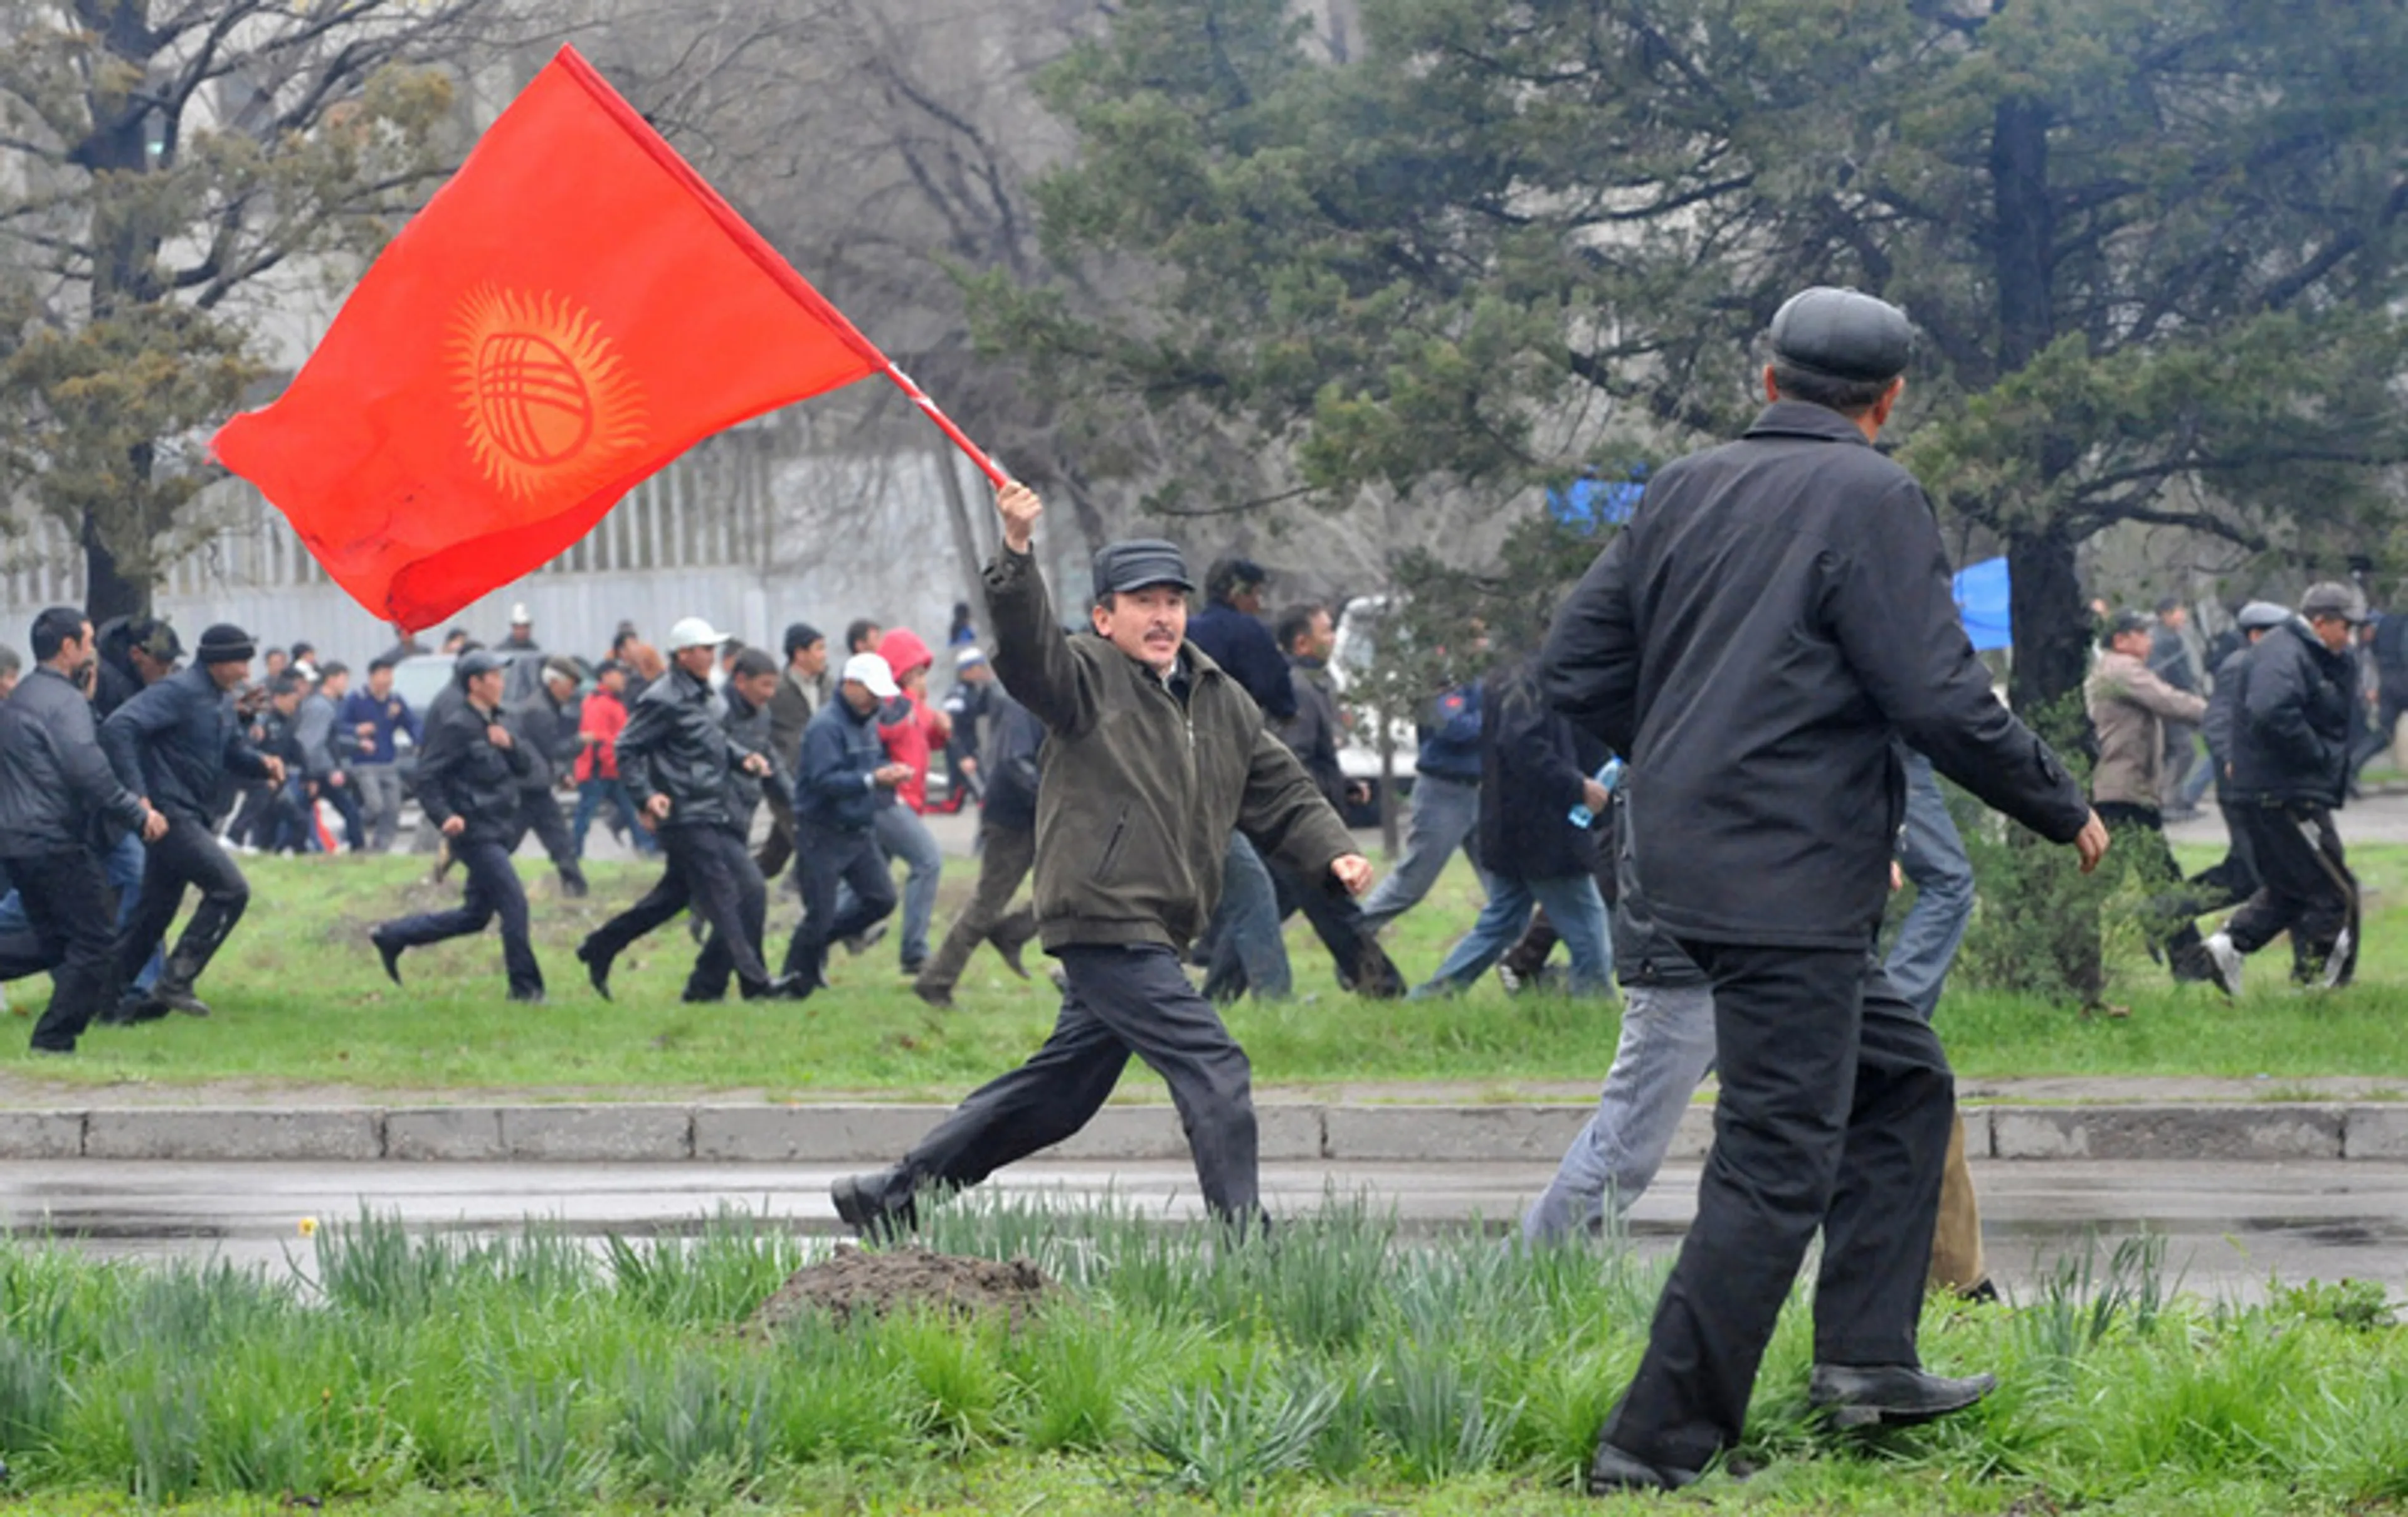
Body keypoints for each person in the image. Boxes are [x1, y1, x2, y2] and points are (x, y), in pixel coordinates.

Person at [1542, 287, 2104, 1491]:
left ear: (1768, 379)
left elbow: (1573, 663)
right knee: (1775, 1162)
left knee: (1904, 1082)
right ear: (1889, 401)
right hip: (1783, 883)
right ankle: (1652, 1445)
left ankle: (1867, 1360)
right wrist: (2061, 802)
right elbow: (1939, 695)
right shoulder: (1875, 493)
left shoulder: (1686, 483)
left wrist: (1686, 758)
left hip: (1702, 862)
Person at [830, 484, 1371, 1236]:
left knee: (1060, 1095)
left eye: (1173, 602)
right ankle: (1251, 1250)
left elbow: (1278, 785)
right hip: (1105, 914)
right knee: (1215, 1067)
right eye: (1142, 602)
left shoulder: (1216, 695)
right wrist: (1015, 551)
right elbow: (1025, 651)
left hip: (1158, 922)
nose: (1162, 617)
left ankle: (889, 1197)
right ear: (1104, 616)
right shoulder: (1082, 676)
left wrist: (1336, 852)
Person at [578, 623, 792, 1003]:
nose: (712, 656)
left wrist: (745, 759)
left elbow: (714, 740)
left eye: (713, 648)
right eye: (704, 649)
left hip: (712, 809)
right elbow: (626, 747)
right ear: (683, 655)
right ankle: (756, 983)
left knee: (670, 899)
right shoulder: (662, 698)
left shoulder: (705, 695)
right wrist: (646, 797)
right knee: (737, 892)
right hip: (684, 815)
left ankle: (600, 946)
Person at [0, 608, 166, 1054]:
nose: (93, 649)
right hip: (54, 840)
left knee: (55, 943)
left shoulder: (25, 697)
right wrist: (137, 812)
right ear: (69, 647)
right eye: (88, 641)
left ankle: (55, 1036)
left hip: (17, 840)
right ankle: (54, 1039)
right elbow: (87, 769)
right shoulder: (62, 702)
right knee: (96, 942)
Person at [102, 622, 287, 1020]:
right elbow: (119, 726)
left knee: (150, 919)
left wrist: (262, 765)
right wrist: (139, 795)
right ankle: (175, 981)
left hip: (193, 815)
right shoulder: (179, 691)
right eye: (240, 662)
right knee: (230, 890)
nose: (246, 673)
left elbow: (230, 751)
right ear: (217, 662)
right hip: (172, 815)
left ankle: (100, 1004)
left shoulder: (219, 698)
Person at [1409, 652, 1613, 999]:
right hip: (1544, 830)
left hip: (1512, 826)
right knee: (1590, 933)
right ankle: (1594, 1009)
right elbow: (1523, 744)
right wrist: (1576, 786)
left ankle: (1428, 999)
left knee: (1499, 925)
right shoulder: (1528, 677)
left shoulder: (1517, 672)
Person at [2199, 583, 2366, 995]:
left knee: (2291, 888)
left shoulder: (2309, 654)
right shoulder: (2285, 651)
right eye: (2345, 626)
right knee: (2333, 891)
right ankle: (2315, 983)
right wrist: (2317, 755)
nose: (2350, 635)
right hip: (2285, 793)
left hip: (2284, 790)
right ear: (2321, 621)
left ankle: (2230, 944)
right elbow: (2271, 709)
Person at [368, 650, 544, 1002]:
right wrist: (445, 816)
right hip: (474, 832)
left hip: (498, 827)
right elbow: (427, 777)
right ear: (475, 684)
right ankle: (525, 990)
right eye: (494, 676)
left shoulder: (497, 720)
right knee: (515, 903)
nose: (501, 682)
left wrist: (509, 745)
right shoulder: (457, 725)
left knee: (475, 916)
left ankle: (393, 935)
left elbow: (527, 768)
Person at [1262, 602, 1403, 996]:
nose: (1334, 638)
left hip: (1302, 822)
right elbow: (1295, 760)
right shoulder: (1297, 688)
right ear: (1303, 642)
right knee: (1338, 913)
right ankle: (1385, 988)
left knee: (1261, 912)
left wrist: (1345, 786)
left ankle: (1216, 986)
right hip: (1304, 829)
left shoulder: (1313, 683)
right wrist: (1316, 814)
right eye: (1327, 631)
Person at [2084, 610, 2215, 991]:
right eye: (2141, 633)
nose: (2150, 640)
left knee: (2155, 876)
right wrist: (2221, 716)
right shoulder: (2121, 669)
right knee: (2149, 877)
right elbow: (2169, 701)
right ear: (2121, 639)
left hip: (2127, 789)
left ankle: (2187, 959)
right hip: (2121, 790)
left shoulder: (2116, 667)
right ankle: (2186, 958)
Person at [1189, 556, 1296, 1003]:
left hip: (1180, 776)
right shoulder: (1248, 634)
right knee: (1253, 887)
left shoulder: (1185, 633)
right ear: (1238, 593)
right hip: (1223, 776)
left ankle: (1217, 993)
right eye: (1255, 594)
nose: (1259, 603)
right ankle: (1275, 1002)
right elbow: (1281, 697)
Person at [782, 652, 910, 995]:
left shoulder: (867, 719)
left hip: (858, 829)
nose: (876, 702)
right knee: (819, 915)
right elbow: (825, 780)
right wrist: (872, 780)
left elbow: (872, 760)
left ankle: (814, 953)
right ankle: (795, 978)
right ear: (850, 684)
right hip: (822, 831)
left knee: (881, 898)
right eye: (871, 692)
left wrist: (889, 773)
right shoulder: (826, 726)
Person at [914, 687, 1044, 1008]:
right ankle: (936, 980)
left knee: (1074, 886)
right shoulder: (1022, 699)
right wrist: (1050, 796)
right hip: (1014, 817)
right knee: (989, 901)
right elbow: (1015, 762)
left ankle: (1014, 931)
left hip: (1039, 811)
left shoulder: (1050, 695)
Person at [1356, 676, 1485, 934]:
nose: (1484, 638)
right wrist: (1498, 718)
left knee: (1506, 889)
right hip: (1444, 792)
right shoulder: (1443, 669)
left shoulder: (1485, 671)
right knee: (1412, 883)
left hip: (1482, 790)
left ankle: (1521, 962)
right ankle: (1353, 938)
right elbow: (1453, 727)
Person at [2190, 601, 2291, 906]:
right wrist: (2231, 758)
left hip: (2258, 784)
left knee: (2248, 871)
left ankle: (2166, 911)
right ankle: (2167, 911)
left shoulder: (2268, 667)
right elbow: (2217, 721)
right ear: (2256, 635)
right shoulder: (2240, 666)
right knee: (2254, 873)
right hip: (2240, 788)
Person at [873, 628, 951, 975]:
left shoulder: (914, 706)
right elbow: (889, 733)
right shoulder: (891, 704)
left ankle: (823, 932)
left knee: (871, 881)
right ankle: (914, 951)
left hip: (908, 801)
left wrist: (941, 728)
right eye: (917, 673)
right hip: (893, 801)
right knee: (928, 861)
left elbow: (925, 740)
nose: (923, 681)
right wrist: (910, 703)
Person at [506, 658, 590, 897]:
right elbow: (551, 748)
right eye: (570, 685)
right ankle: (575, 884)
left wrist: (562, 773)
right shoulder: (539, 710)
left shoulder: (545, 706)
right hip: (528, 787)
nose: (572, 692)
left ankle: (575, 884)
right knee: (514, 841)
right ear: (554, 682)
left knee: (557, 839)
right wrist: (579, 743)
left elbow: (542, 750)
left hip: (534, 785)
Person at [756, 621, 826, 879]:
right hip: (787, 783)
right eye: (819, 648)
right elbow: (761, 733)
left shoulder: (827, 686)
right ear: (800, 653)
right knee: (815, 851)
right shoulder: (777, 691)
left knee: (772, 859)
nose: (824, 655)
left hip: (821, 783)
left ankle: (725, 890)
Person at [571, 661, 652, 858]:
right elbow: (601, 741)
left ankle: (646, 847)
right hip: (598, 770)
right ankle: (573, 853)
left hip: (611, 769)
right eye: (619, 674)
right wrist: (618, 764)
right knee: (585, 814)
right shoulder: (600, 704)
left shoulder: (610, 701)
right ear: (606, 676)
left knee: (631, 810)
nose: (623, 678)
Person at [342, 658, 420, 852]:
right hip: (365, 763)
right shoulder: (356, 699)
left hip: (389, 761)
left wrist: (419, 742)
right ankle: (351, 830)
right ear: (372, 676)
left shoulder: (395, 700)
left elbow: (412, 724)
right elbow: (338, 726)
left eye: (390, 675)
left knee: (393, 808)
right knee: (374, 805)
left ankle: (381, 847)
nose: (388, 680)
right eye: (384, 675)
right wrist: (357, 731)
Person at [2150, 598, 2209, 818]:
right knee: (2183, 750)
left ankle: (2173, 799)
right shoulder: (2162, 641)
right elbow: (2164, 674)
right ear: (2165, 615)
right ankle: (2168, 801)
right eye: (2177, 611)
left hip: (2180, 700)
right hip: (2173, 705)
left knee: (2181, 751)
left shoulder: (2171, 638)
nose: (2182, 616)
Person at [295, 662, 364, 851]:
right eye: (344, 679)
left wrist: (357, 745)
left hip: (318, 769)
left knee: (301, 812)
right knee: (349, 810)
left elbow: (331, 740)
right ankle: (356, 847)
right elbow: (312, 743)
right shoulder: (320, 707)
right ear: (331, 680)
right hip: (318, 771)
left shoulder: (326, 705)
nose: (346, 684)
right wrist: (328, 770)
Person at [939, 645, 997, 808]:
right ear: (967, 670)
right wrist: (962, 756)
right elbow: (950, 730)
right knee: (956, 803)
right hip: (961, 754)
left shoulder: (972, 691)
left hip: (971, 751)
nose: (982, 671)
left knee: (986, 799)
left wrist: (990, 685)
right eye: (979, 667)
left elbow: (983, 708)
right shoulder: (956, 695)